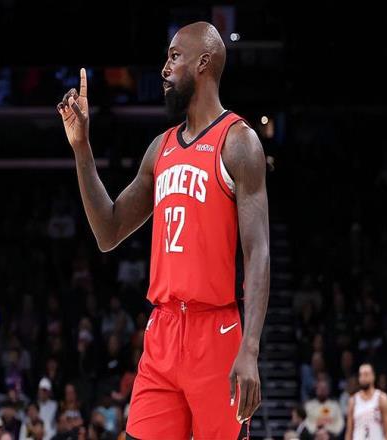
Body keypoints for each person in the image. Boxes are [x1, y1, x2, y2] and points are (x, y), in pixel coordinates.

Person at [57, 20, 270, 440]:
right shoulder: (161, 148)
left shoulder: (239, 142)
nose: (164, 68)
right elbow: (109, 231)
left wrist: (250, 348)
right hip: (162, 331)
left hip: (216, 332)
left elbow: (258, 252)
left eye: (174, 57)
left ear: (204, 63)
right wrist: (82, 149)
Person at [345, 363, 387, 440]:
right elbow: (349, 431)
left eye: (366, 374)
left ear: (373, 376)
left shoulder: (382, 398)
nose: (363, 378)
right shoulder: (353, 400)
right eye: (361, 375)